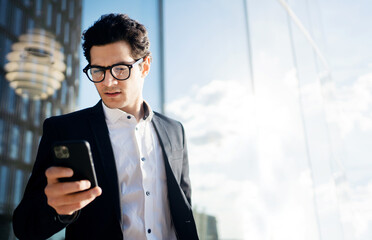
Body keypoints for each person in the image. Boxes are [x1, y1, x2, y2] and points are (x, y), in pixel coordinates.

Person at [12, 13, 199, 240]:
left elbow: (184, 207)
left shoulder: (174, 131)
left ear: (145, 66)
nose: (107, 82)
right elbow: (25, 227)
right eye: (98, 70)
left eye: (120, 68)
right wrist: (57, 210)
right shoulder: (64, 130)